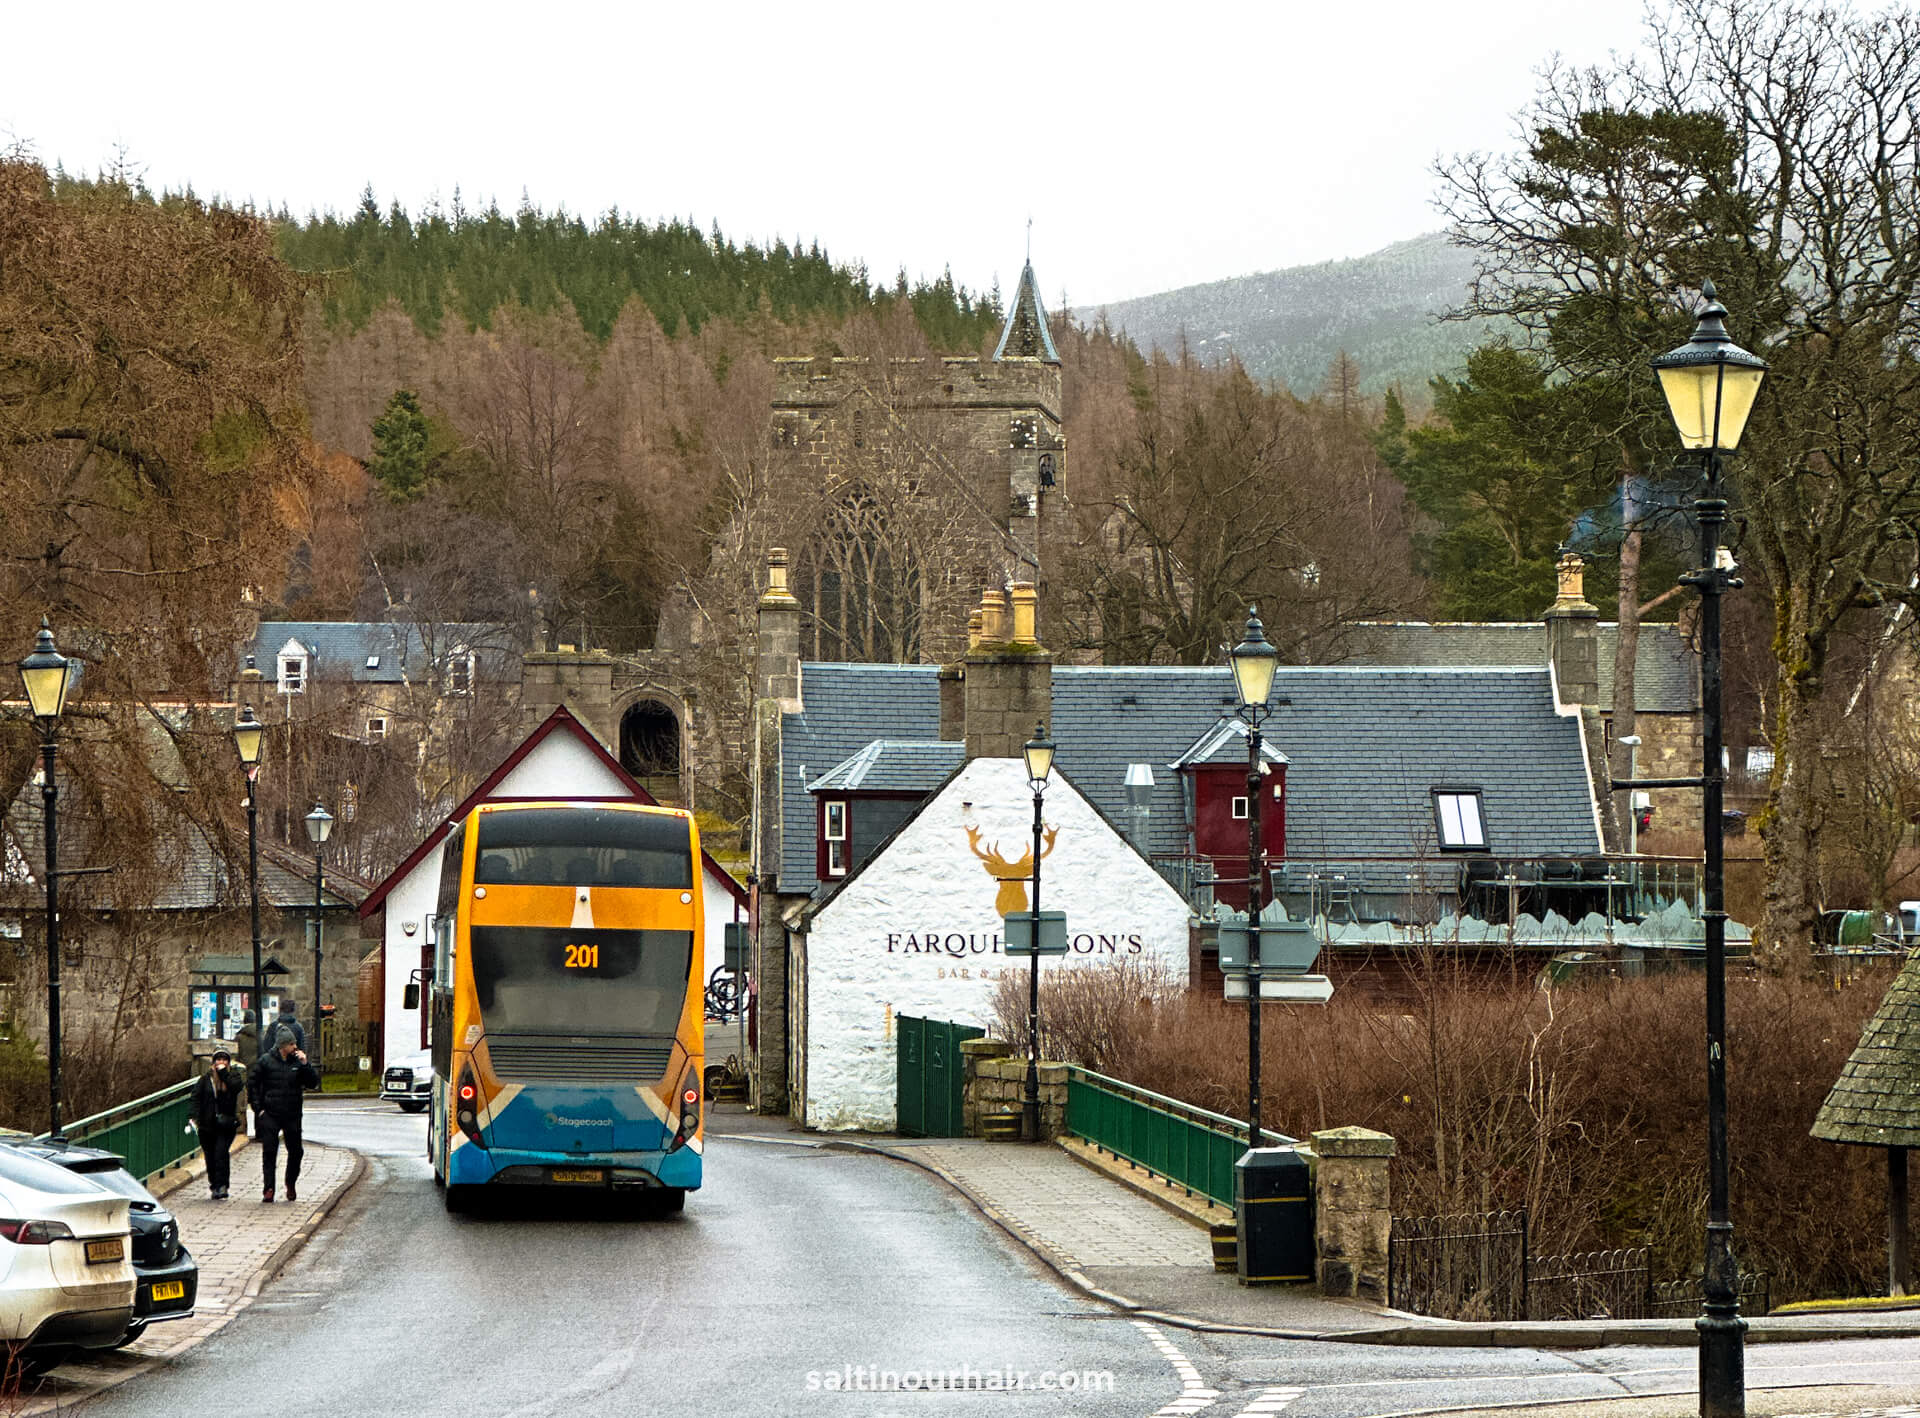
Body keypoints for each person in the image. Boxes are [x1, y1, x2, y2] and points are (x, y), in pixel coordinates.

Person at [253, 1026, 320, 1203]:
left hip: (292, 1113)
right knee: (269, 1152)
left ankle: (290, 1182)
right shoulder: (266, 1061)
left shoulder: (297, 1062)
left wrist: (306, 1065)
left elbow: (313, 1083)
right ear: (283, 1045)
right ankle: (269, 1188)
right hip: (271, 1113)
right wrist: (258, 1108)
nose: (295, 1046)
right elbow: (253, 1083)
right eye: (292, 1043)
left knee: (296, 1151)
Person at [191, 1049, 246, 1200]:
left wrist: (223, 1074)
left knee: (221, 1153)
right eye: (218, 1060)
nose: (221, 1062)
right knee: (210, 1156)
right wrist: (193, 1116)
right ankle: (214, 1184)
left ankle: (223, 1185)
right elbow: (196, 1097)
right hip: (207, 1124)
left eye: (224, 1060)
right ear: (213, 1062)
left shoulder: (233, 1075)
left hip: (226, 1123)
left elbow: (236, 1087)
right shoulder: (205, 1079)